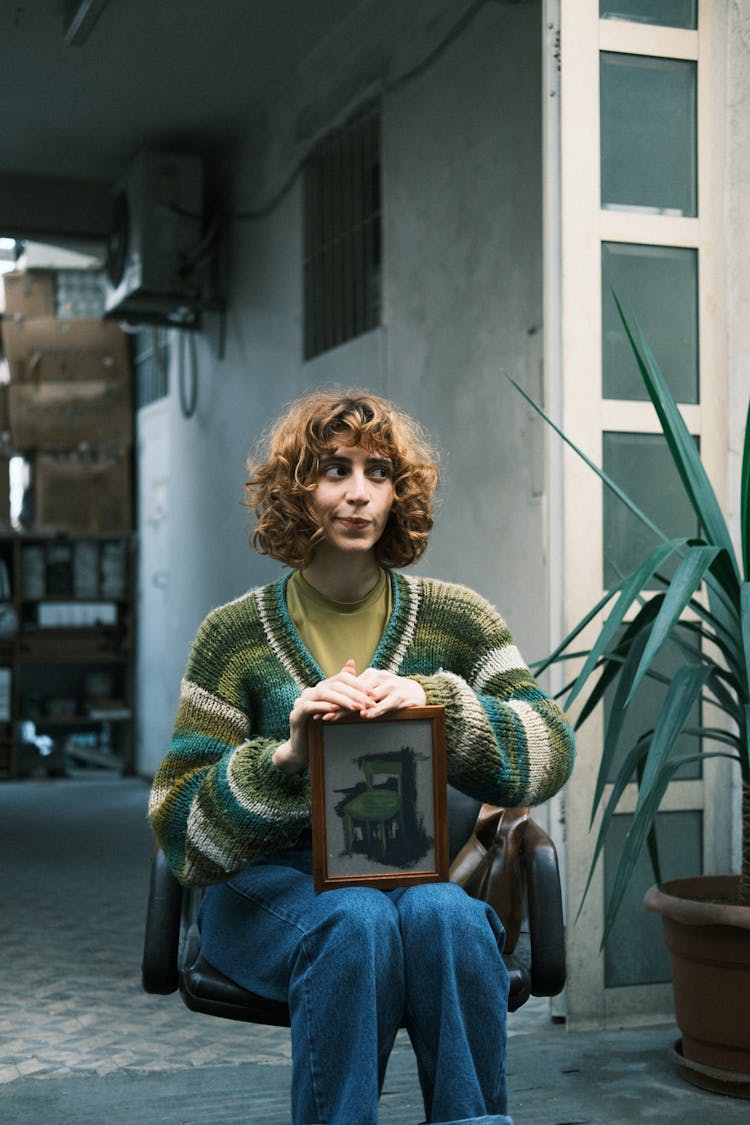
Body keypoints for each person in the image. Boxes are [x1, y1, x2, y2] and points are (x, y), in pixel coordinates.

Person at [149, 389, 575, 1125]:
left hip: (410, 881)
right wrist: (283, 758)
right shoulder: (233, 637)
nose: (357, 492)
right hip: (268, 891)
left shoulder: (458, 620)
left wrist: (438, 702)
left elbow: (550, 748)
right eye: (332, 469)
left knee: (448, 912)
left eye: (378, 471)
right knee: (353, 920)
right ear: (294, 489)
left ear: (398, 492)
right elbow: (180, 830)